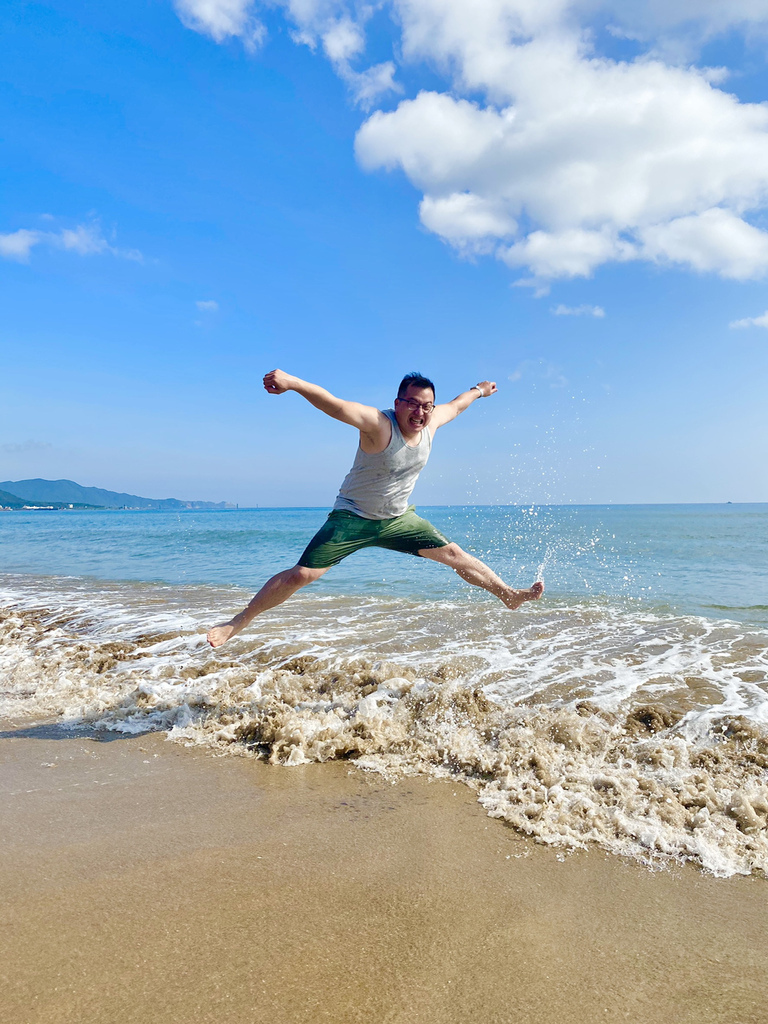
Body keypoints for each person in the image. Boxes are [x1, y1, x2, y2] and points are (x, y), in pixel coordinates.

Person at [207, 369, 543, 647]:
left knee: (454, 554)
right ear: (397, 403)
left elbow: (457, 405)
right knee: (301, 575)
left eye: (426, 406)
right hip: (353, 517)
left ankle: (508, 594)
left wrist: (479, 390)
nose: (420, 412)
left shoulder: (432, 421)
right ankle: (240, 621)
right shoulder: (379, 425)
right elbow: (335, 406)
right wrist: (293, 383)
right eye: (412, 404)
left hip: (398, 519)